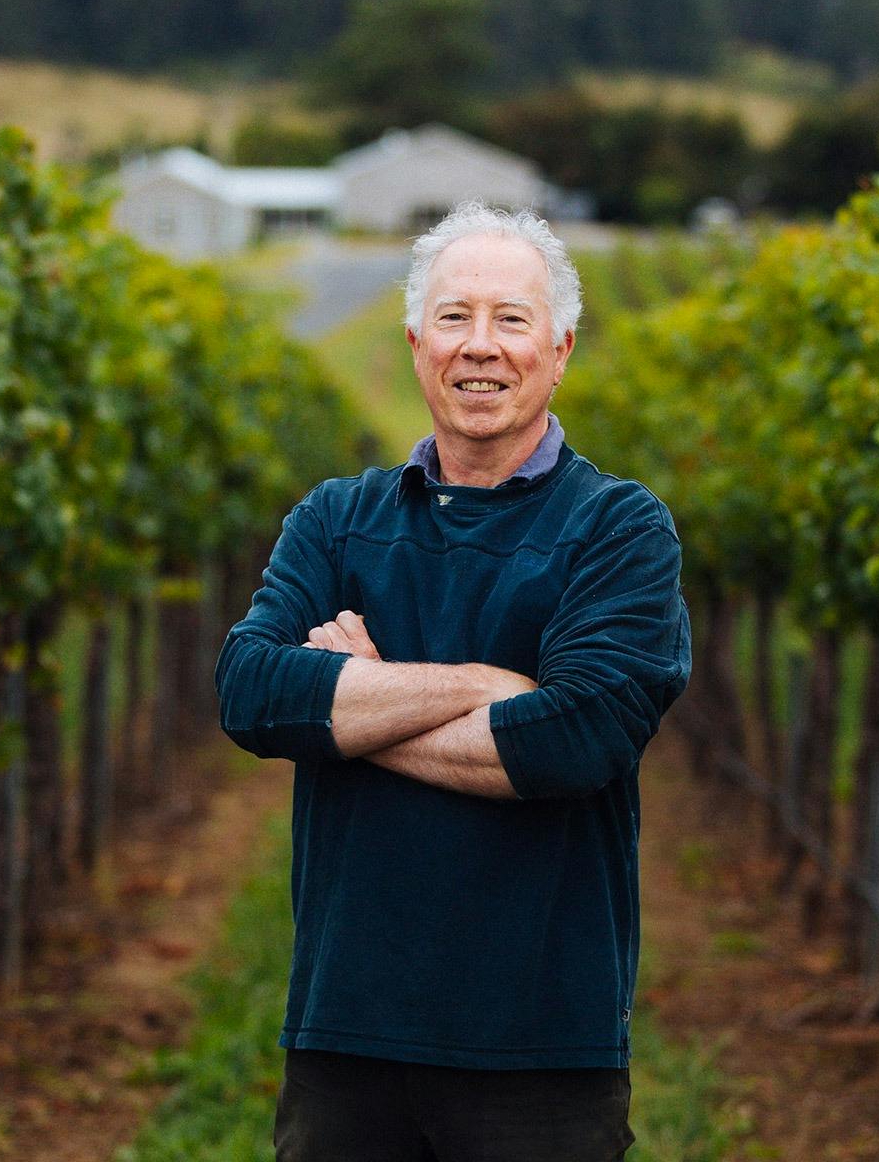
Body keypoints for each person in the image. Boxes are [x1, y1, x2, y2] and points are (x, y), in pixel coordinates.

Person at [215, 200, 691, 1162]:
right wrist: (486, 684)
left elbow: (574, 739)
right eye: (453, 317)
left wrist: (353, 700)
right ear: (414, 343)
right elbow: (253, 693)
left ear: (558, 349)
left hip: (543, 1052)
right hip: (344, 1039)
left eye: (511, 320)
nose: (481, 346)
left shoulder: (619, 530)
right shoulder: (337, 519)